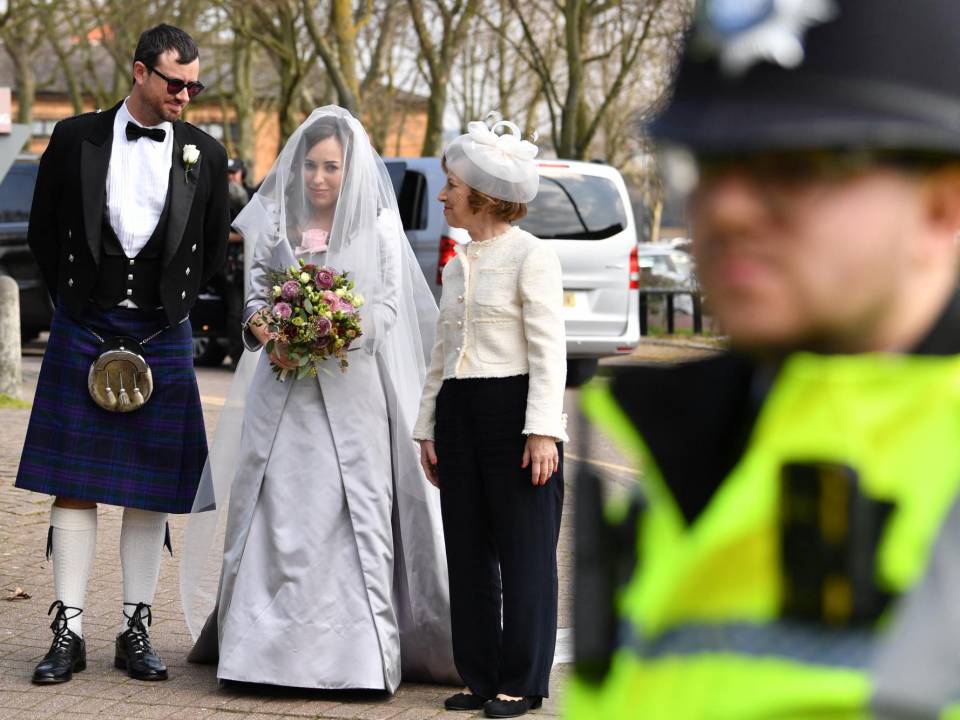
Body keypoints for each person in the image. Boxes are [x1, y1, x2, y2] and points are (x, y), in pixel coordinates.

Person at [566, 1, 960, 718]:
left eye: (797, 165)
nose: (727, 210)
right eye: (709, 162)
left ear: (942, 208)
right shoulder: (693, 446)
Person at [180, 106, 458, 692]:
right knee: (276, 509)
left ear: (350, 168)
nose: (319, 178)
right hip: (283, 393)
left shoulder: (377, 227)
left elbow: (388, 307)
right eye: (310, 165)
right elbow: (253, 298)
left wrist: (338, 330)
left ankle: (356, 657)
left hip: (352, 391)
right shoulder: (276, 220)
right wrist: (269, 334)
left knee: (350, 511)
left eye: (331, 166)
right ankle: (259, 653)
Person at [15, 24, 229, 684]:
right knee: (73, 486)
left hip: (162, 330)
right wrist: (76, 303)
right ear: (139, 72)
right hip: (85, 321)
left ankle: (135, 628)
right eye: (174, 82)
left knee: (152, 490)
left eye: (195, 84)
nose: (185, 94)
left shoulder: (205, 152)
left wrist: (171, 302)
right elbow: (43, 232)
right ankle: (69, 630)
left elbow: (214, 245)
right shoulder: (76, 138)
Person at [413, 117, 567, 718]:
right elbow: (441, 354)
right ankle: (479, 676)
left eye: (451, 184)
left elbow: (549, 349)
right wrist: (427, 428)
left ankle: (522, 682)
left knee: (526, 553)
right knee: (469, 551)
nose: (444, 194)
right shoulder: (457, 263)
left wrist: (543, 430)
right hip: (460, 412)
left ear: (481, 193)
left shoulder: (532, 256)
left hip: (515, 414)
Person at [223, 157, 249, 364]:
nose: (231, 177)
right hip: (233, 266)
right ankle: (236, 356)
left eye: (234, 172)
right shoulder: (221, 198)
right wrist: (244, 236)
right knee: (235, 312)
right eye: (228, 173)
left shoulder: (253, 195)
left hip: (255, 263)